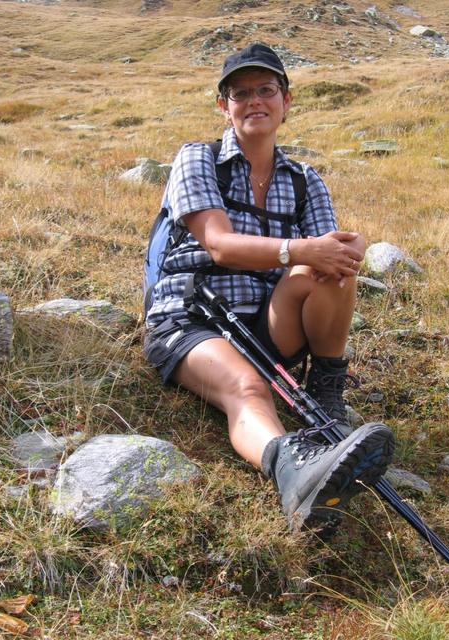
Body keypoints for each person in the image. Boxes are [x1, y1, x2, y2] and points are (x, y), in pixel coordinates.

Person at [144, 43, 394, 533]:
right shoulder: (198, 159)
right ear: (224, 106)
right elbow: (218, 244)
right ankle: (293, 473)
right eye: (240, 94)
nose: (254, 101)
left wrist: (346, 249)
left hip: (265, 325)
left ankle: (326, 390)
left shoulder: (304, 180)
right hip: (191, 319)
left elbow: (327, 255)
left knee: (332, 269)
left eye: (266, 90)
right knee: (248, 386)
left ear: (286, 101)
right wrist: (301, 250)